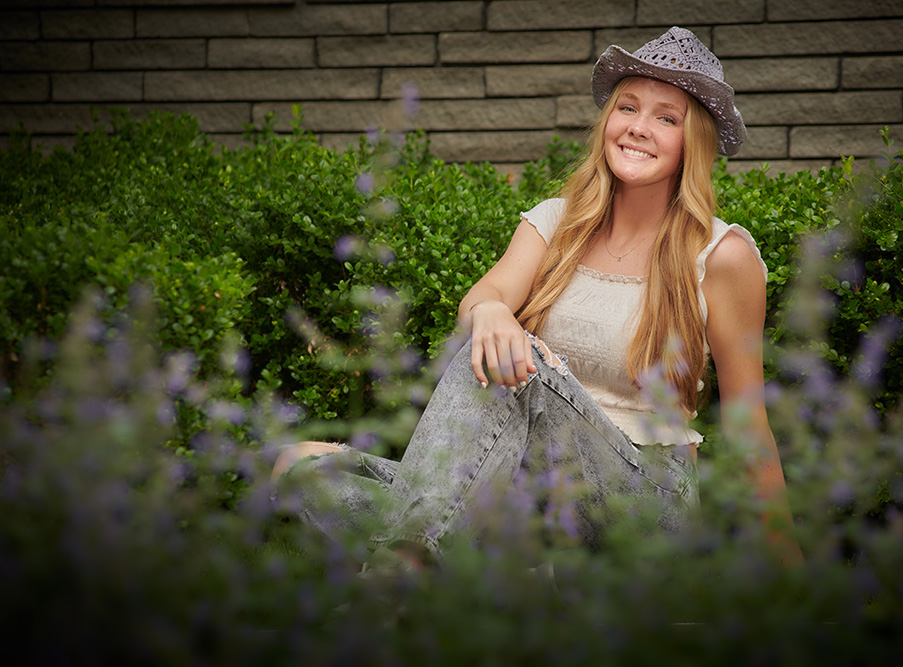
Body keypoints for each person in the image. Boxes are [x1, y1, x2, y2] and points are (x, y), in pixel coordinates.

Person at [273, 27, 801, 569]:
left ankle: (402, 577)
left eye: (666, 118)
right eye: (627, 108)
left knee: (515, 369)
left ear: (694, 141)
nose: (639, 128)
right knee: (300, 467)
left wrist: (793, 575)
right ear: (607, 123)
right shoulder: (557, 223)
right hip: (525, 495)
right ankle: (501, 575)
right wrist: (493, 310)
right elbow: (487, 295)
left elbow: (748, 424)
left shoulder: (720, 254)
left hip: (641, 503)